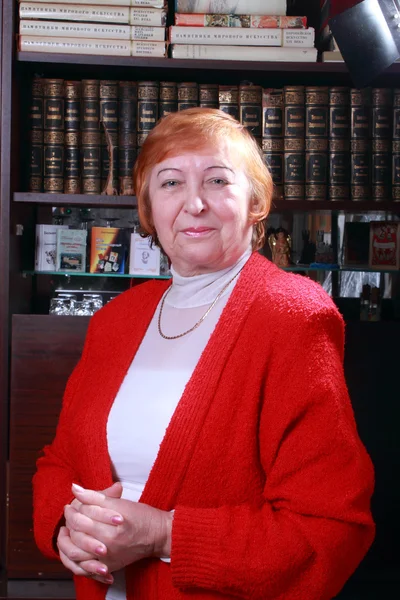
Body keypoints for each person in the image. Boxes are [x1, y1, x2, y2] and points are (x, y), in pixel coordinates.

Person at [33, 108, 375, 600]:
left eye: (217, 180)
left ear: (254, 201)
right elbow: (59, 462)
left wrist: (164, 534)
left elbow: (329, 528)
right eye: (170, 183)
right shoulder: (116, 321)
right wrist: (63, 528)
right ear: (149, 207)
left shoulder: (292, 315)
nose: (193, 204)